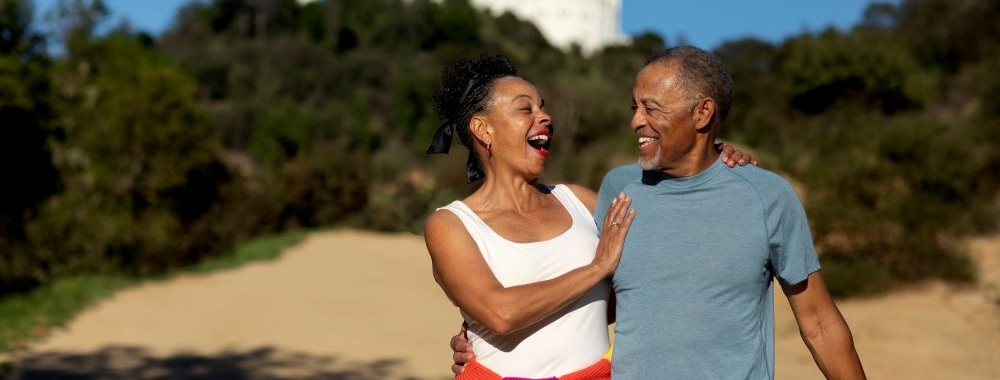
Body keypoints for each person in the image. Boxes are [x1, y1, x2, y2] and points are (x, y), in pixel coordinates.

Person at [450, 46, 867, 380]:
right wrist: (484, 339)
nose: (635, 121)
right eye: (634, 106)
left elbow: (820, 324)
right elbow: (599, 303)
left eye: (651, 108)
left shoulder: (767, 196)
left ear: (702, 114)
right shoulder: (618, 191)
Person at [424, 53, 753, 380]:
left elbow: (669, 246)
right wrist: (598, 267)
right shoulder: (452, 224)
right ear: (483, 129)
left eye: (543, 106)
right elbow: (501, 313)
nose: (545, 117)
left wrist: (709, 161)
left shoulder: (579, 200)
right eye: (526, 109)